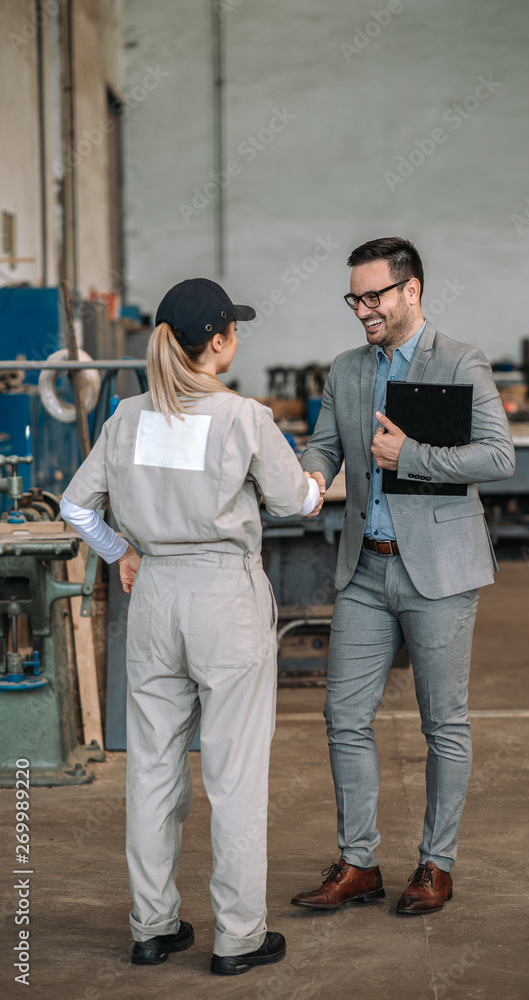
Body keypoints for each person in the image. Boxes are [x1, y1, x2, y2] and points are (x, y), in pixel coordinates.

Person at [61, 278, 324, 975]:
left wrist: (123, 553)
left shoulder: (126, 417)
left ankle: (153, 927)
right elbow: (295, 501)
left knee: (150, 769)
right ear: (218, 340)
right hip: (222, 599)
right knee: (234, 775)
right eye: (233, 328)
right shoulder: (243, 417)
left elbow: (75, 507)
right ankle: (238, 937)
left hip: (153, 596)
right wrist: (321, 484)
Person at [294, 237, 515, 915]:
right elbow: (325, 444)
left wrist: (410, 455)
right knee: (343, 717)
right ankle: (359, 863)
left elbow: (498, 456)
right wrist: (306, 477)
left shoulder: (460, 361)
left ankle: (435, 865)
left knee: (442, 723)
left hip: (440, 573)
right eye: (354, 297)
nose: (362, 309)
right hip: (366, 569)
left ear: (410, 291)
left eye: (374, 296)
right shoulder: (347, 370)